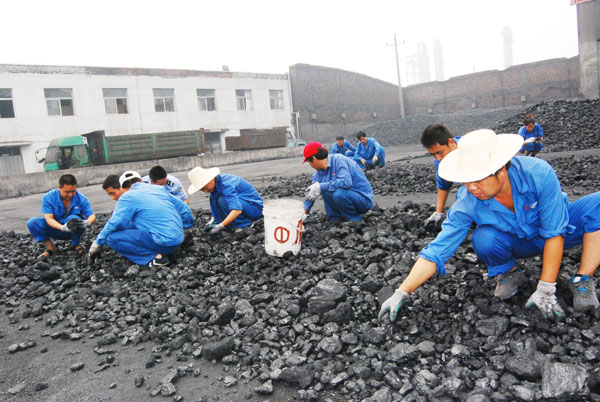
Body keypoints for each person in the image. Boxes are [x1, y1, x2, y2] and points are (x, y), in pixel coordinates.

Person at [379, 129, 600, 321]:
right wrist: (401, 292)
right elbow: (437, 250)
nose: (472, 187)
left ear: (501, 169)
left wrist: (546, 288)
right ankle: (510, 271)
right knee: (483, 238)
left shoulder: (537, 173)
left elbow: (554, 233)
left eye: (478, 179)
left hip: (562, 230)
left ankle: (582, 278)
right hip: (519, 242)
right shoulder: (467, 202)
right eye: (466, 180)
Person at [88, 171, 193, 267]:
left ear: (123, 188)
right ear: (141, 181)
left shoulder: (128, 196)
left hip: (163, 245)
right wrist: (186, 228)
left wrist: (98, 242)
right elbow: (184, 208)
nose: (113, 197)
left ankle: (155, 258)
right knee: (130, 225)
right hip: (178, 241)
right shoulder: (159, 189)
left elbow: (115, 223)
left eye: (112, 193)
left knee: (112, 239)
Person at [27, 174, 96, 258]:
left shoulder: (81, 198)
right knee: (32, 222)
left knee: (74, 219)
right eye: (67, 192)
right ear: (59, 187)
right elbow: (49, 219)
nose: (71, 194)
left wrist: (87, 222)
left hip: (73, 230)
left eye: (73, 191)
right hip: (55, 229)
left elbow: (92, 215)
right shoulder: (49, 197)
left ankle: (76, 244)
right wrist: (62, 227)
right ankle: (50, 247)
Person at [303, 142, 374, 222]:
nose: (310, 165)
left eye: (309, 162)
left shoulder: (339, 160)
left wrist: (321, 186)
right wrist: (304, 212)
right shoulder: (318, 173)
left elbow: (346, 182)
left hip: (363, 201)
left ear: (314, 159)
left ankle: (355, 220)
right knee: (324, 188)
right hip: (347, 201)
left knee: (337, 193)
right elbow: (311, 193)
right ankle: (335, 220)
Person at [187, 166, 263, 234]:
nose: (206, 191)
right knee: (218, 200)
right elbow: (215, 207)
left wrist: (221, 225)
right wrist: (215, 221)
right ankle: (233, 224)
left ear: (211, 179)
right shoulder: (215, 186)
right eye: (202, 190)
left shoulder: (226, 185)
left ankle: (244, 225)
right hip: (243, 205)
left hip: (254, 209)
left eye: (205, 188)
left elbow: (237, 210)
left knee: (223, 200)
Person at [420, 124, 461, 230]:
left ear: (451, 143)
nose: (438, 158)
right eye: (433, 154)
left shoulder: (473, 149)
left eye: (439, 152)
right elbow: (443, 185)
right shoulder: (441, 161)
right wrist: (438, 212)